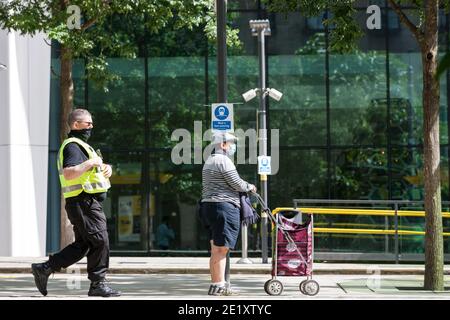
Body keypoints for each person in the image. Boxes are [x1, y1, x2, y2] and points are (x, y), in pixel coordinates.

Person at [31, 108, 121, 297]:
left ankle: (45, 268)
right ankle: (98, 284)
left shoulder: (81, 145)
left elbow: (93, 169)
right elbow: (69, 172)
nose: (91, 127)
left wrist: (107, 168)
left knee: (84, 244)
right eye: (88, 123)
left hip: (84, 202)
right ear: (76, 125)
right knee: (100, 240)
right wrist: (91, 163)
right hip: (83, 202)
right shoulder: (72, 145)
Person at [199, 132, 256, 296]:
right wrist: (250, 186)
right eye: (231, 143)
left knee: (215, 249)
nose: (233, 147)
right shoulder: (223, 161)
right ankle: (219, 286)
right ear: (223, 144)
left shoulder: (209, 160)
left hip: (209, 207)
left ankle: (218, 284)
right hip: (223, 207)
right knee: (221, 249)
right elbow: (236, 183)